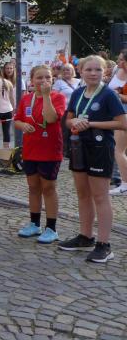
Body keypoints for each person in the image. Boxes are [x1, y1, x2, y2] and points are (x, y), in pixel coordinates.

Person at [59, 55, 127, 262]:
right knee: (83, 194)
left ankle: (104, 245)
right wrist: (74, 122)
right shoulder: (78, 93)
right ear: (81, 71)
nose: (93, 73)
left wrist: (91, 124)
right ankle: (85, 236)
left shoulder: (108, 95)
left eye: (98, 69)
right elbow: (68, 119)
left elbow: (122, 123)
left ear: (104, 72)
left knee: (100, 196)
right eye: (89, 69)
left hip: (100, 148)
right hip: (79, 147)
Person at [13, 65, 66, 243]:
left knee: (48, 188)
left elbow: (51, 118)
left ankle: (51, 228)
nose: (44, 81)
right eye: (39, 77)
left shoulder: (57, 97)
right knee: (33, 187)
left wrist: (46, 96)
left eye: (47, 77)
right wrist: (23, 125)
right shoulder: (26, 99)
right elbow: (17, 120)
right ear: (32, 80)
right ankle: (34, 224)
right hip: (30, 150)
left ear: (52, 80)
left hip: (50, 150)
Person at [107, 50, 127, 194]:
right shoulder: (116, 70)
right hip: (114, 114)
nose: (119, 62)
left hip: (124, 114)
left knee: (119, 150)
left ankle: (125, 184)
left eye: (121, 60)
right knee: (119, 150)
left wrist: (117, 95)